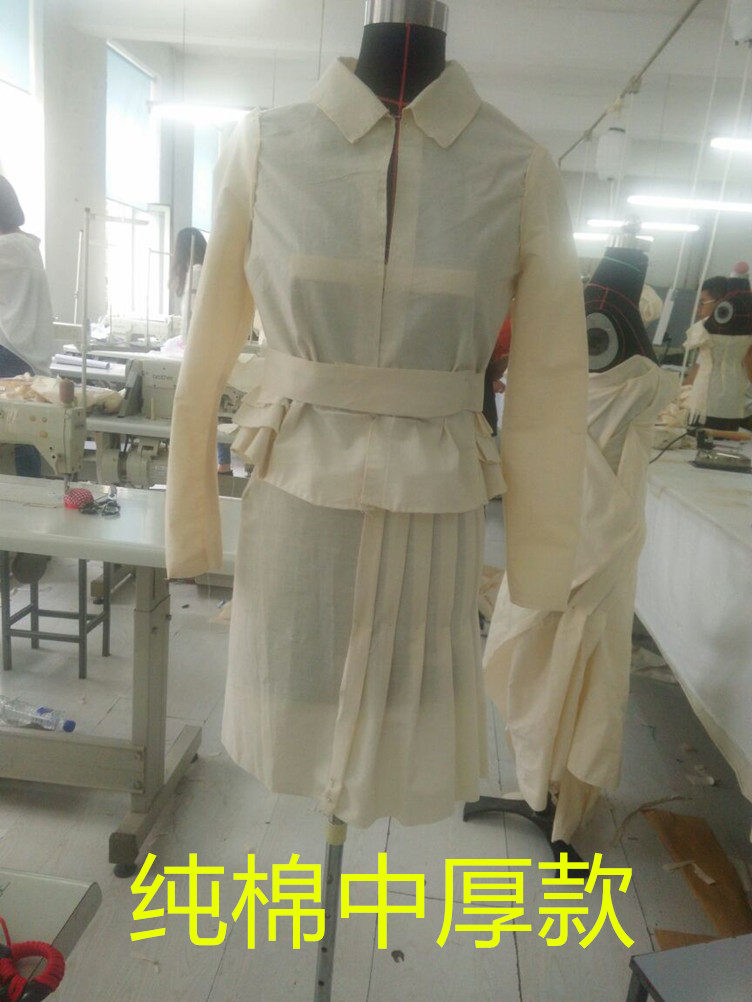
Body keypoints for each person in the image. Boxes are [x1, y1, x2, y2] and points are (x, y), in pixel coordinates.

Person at [0, 176, 55, 476]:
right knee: (27, 434)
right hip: (29, 351)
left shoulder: (6, 247)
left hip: (10, 349)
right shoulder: (28, 245)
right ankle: (29, 486)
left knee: (22, 429)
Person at [683, 275, 728, 386]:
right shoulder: (709, 339)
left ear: (721, 303)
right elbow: (693, 377)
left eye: (702, 303)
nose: (698, 310)